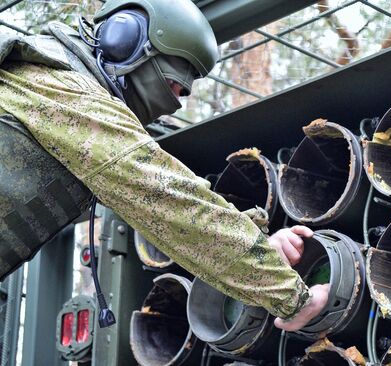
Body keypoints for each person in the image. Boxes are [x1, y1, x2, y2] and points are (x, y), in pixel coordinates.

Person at [0, 0, 329, 331]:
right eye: (174, 81)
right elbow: (164, 196)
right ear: (123, 40)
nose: (175, 101)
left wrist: (255, 240)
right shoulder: (61, 87)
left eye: (184, 91)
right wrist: (294, 297)